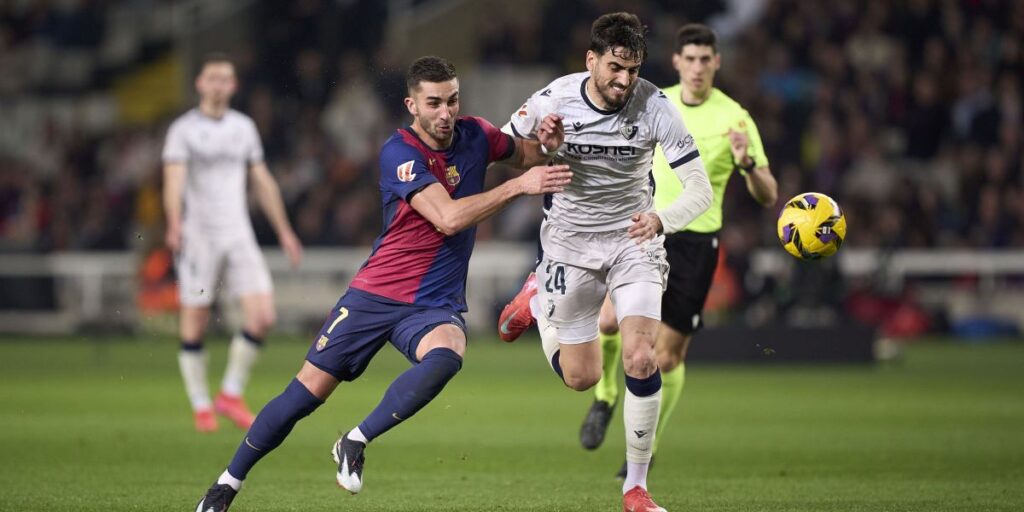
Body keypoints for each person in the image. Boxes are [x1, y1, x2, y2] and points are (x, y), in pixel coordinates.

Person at [194, 56, 570, 512]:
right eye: (434, 103)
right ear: (412, 105)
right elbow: (448, 218)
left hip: (432, 302)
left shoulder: (476, 133)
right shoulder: (399, 152)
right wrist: (517, 187)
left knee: (447, 355)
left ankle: (355, 440)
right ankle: (226, 484)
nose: (446, 112)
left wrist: (547, 144)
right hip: (376, 294)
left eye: (452, 100)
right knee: (303, 395)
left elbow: (526, 155)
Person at [500, 23, 778, 481]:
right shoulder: (558, 98)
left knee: (653, 358)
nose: (624, 80)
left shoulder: (689, 110)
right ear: (591, 61)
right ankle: (553, 324)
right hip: (584, 239)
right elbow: (505, 147)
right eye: (615, 67)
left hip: (653, 238)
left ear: (716, 63)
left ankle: (638, 479)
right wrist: (538, 150)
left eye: (633, 70)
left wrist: (664, 217)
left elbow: (718, 191)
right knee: (586, 367)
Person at [163, 54, 304, 433]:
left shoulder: (243, 127)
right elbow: (174, 179)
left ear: (233, 86)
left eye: (224, 79)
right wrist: (174, 223)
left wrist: (285, 231)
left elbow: (262, 180)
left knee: (263, 317)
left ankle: (230, 393)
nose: (218, 85)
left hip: (238, 232)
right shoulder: (183, 130)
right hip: (199, 234)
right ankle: (200, 404)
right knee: (195, 320)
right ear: (200, 84)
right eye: (212, 78)